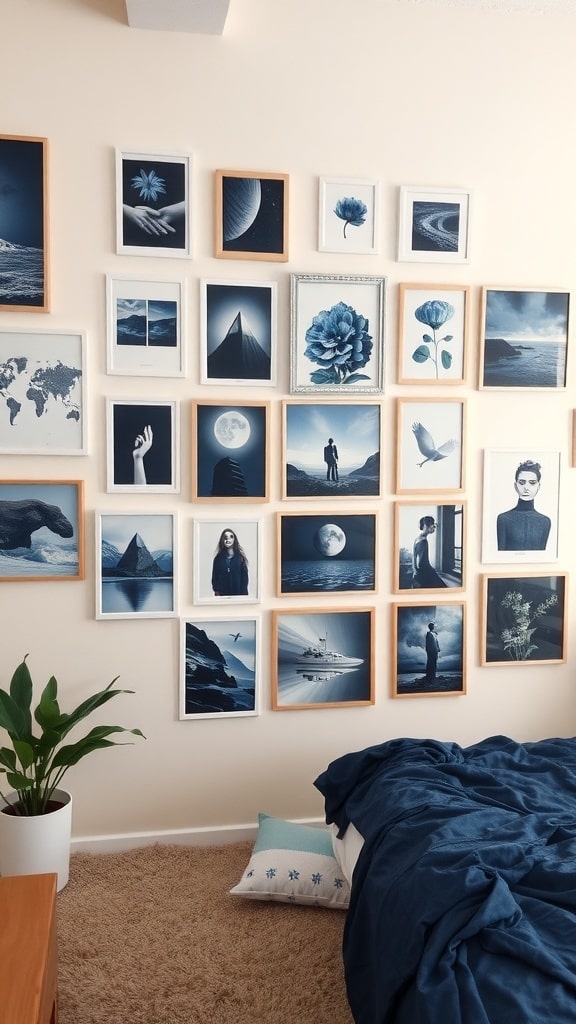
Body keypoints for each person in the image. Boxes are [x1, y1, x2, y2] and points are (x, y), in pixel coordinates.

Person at [496, 460, 551, 551]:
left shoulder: (545, 522)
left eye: (532, 483)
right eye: (522, 482)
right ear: (515, 485)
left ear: (538, 486)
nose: (526, 487)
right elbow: (501, 555)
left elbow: (541, 556)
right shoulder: (503, 519)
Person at [412, 516, 447, 588]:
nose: (434, 528)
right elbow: (420, 563)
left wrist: (415, 570)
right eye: (433, 526)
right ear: (426, 526)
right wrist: (428, 571)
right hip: (424, 572)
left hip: (419, 572)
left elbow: (414, 556)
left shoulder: (417, 538)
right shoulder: (423, 541)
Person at [211, 529, 249, 596]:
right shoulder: (218, 559)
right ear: (222, 540)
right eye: (225, 537)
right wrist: (217, 592)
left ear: (234, 539)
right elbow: (215, 578)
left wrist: (243, 596)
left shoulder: (240, 559)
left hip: (238, 596)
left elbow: (245, 579)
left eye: (231, 537)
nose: (228, 539)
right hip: (222, 598)